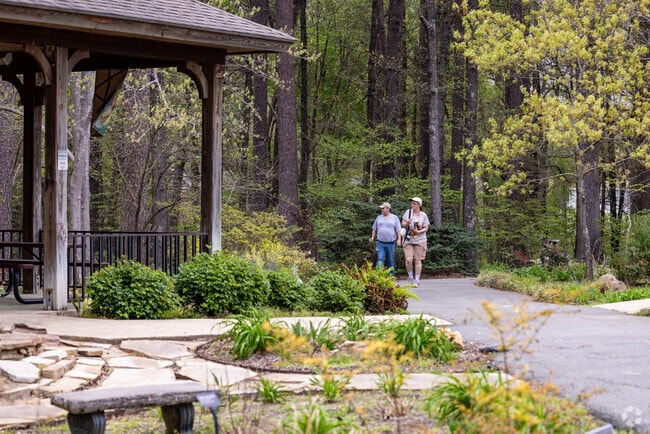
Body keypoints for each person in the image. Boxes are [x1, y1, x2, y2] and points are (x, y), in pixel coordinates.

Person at [401, 197, 429, 287]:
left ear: (419, 205)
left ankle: (417, 280)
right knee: (409, 259)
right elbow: (403, 223)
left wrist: (419, 231)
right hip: (409, 239)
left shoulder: (423, 215)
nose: (412, 205)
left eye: (414, 203)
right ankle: (410, 277)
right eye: (412, 203)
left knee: (418, 260)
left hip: (420, 240)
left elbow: (426, 228)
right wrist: (407, 223)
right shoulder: (408, 212)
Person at [369, 202, 402, 274]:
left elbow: (398, 229)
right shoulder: (378, 218)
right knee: (380, 259)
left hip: (391, 243)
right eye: (381, 208)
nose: (381, 209)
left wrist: (399, 239)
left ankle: (391, 277)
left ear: (388, 208)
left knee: (391, 260)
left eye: (383, 208)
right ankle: (379, 276)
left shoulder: (394, 218)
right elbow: (374, 228)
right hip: (380, 243)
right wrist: (372, 237)